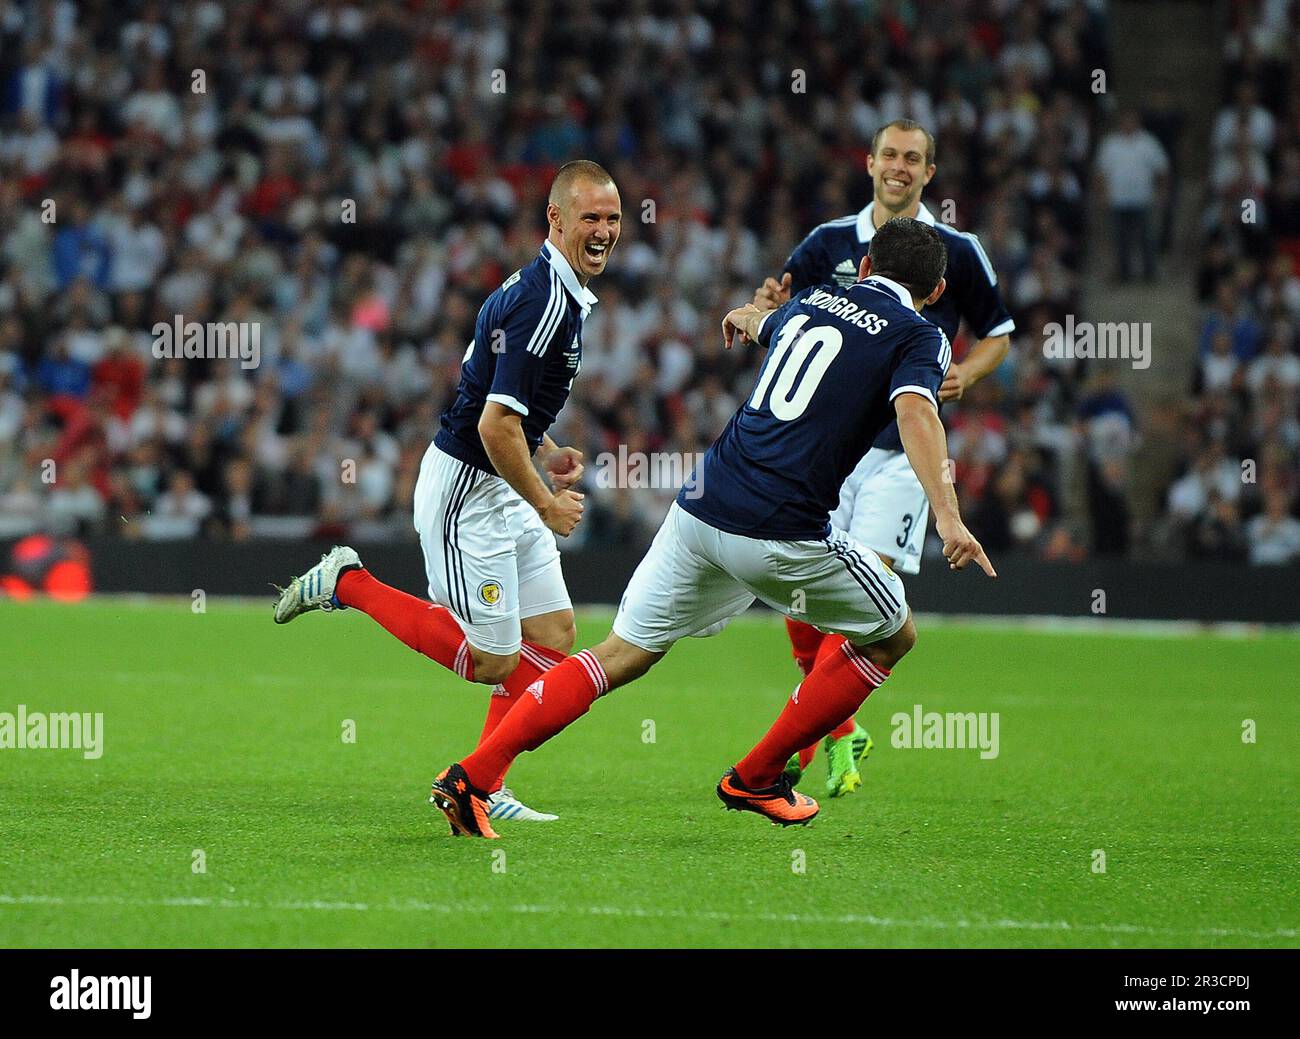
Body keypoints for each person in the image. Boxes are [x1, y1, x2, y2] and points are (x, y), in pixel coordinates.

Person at [428, 218, 996, 839]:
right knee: (893, 634)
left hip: (699, 509)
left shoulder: (813, 302)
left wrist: (744, 312)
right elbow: (915, 411)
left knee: (616, 655)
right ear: (937, 293)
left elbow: (763, 323)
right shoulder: (921, 336)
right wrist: (947, 514)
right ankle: (758, 777)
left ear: (863, 269)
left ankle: (474, 775)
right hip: (780, 531)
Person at [271, 161, 621, 824]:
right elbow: (492, 421)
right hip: (469, 489)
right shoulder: (544, 300)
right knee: (494, 658)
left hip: (504, 480)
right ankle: (349, 583)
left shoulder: (549, 290)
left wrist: (545, 447)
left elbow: (483, 384)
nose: (603, 231)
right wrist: (547, 500)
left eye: (611, 219)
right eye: (590, 218)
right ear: (556, 219)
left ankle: (484, 781)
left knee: (552, 635)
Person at [752, 119, 1014, 797]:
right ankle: (837, 730)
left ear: (930, 173)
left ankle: (797, 742)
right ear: (868, 162)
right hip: (829, 451)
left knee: (866, 595)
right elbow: (776, 299)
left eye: (914, 159)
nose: (899, 167)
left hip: (902, 452)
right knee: (804, 597)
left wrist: (969, 375)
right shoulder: (829, 242)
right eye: (890, 155)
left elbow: (1000, 334)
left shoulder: (955, 250)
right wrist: (756, 308)